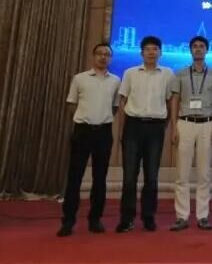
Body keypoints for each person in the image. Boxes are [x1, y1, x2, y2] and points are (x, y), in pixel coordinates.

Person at [57, 43, 120, 237]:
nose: (103, 57)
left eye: (107, 54)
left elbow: (115, 107)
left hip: (104, 132)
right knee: (74, 177)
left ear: (110, 59)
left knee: (100, 178)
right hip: (82, 131)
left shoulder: (116, 81)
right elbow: (71, 104)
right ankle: (68, 221)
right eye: (100, 53)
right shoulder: (80, 78)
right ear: (93, 56)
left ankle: (95, 219)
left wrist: (100, 119)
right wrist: (85, 118)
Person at [115, 36, 175, 233]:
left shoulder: (167, 74)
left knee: (152, 176)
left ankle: (148, 217)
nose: (151, 52)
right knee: (129, 176)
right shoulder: (130, 73)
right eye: (147, 49)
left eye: (155, 49)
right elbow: (123, 102)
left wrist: (165, 125)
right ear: (141, 53)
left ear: (160, 53)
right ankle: (127, 218)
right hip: (133, 127)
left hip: (155, 128)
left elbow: (169, 102)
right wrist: (121, 131)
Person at [169, 36, 212, 231]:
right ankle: (182, 216)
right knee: (182, 173)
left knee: (204, 173)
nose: (198, 49)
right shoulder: (180, 74)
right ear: (190, 50)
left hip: (207, 124)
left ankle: (203, 216)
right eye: (195, 46)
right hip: (185, 123)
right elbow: (175, 100)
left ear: (207, 50)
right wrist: (174, 127)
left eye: (201, 46)